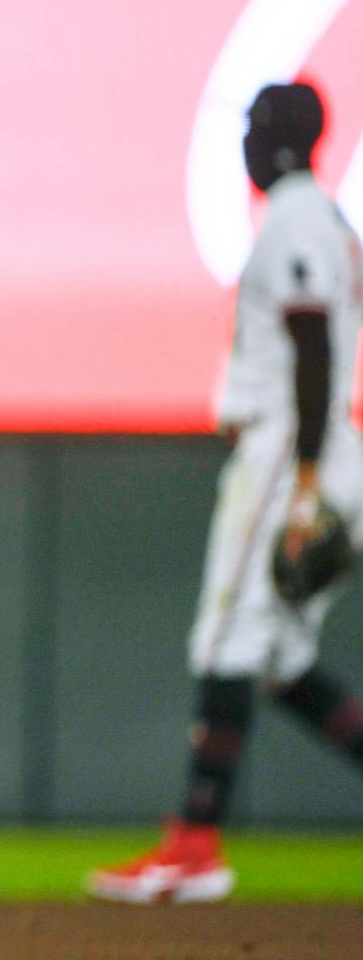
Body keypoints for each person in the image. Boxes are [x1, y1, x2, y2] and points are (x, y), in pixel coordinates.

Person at [88, 81, 363, 903]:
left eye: (252, 129)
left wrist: (307, 484)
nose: (243, 144)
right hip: (308, 448)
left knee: (225, 644)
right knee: (279, 664)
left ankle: (195, 844)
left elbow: (312, 344)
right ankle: (195, 843)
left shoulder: (298, 218)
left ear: (276, 137)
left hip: (290, 451)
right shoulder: (318, 218)